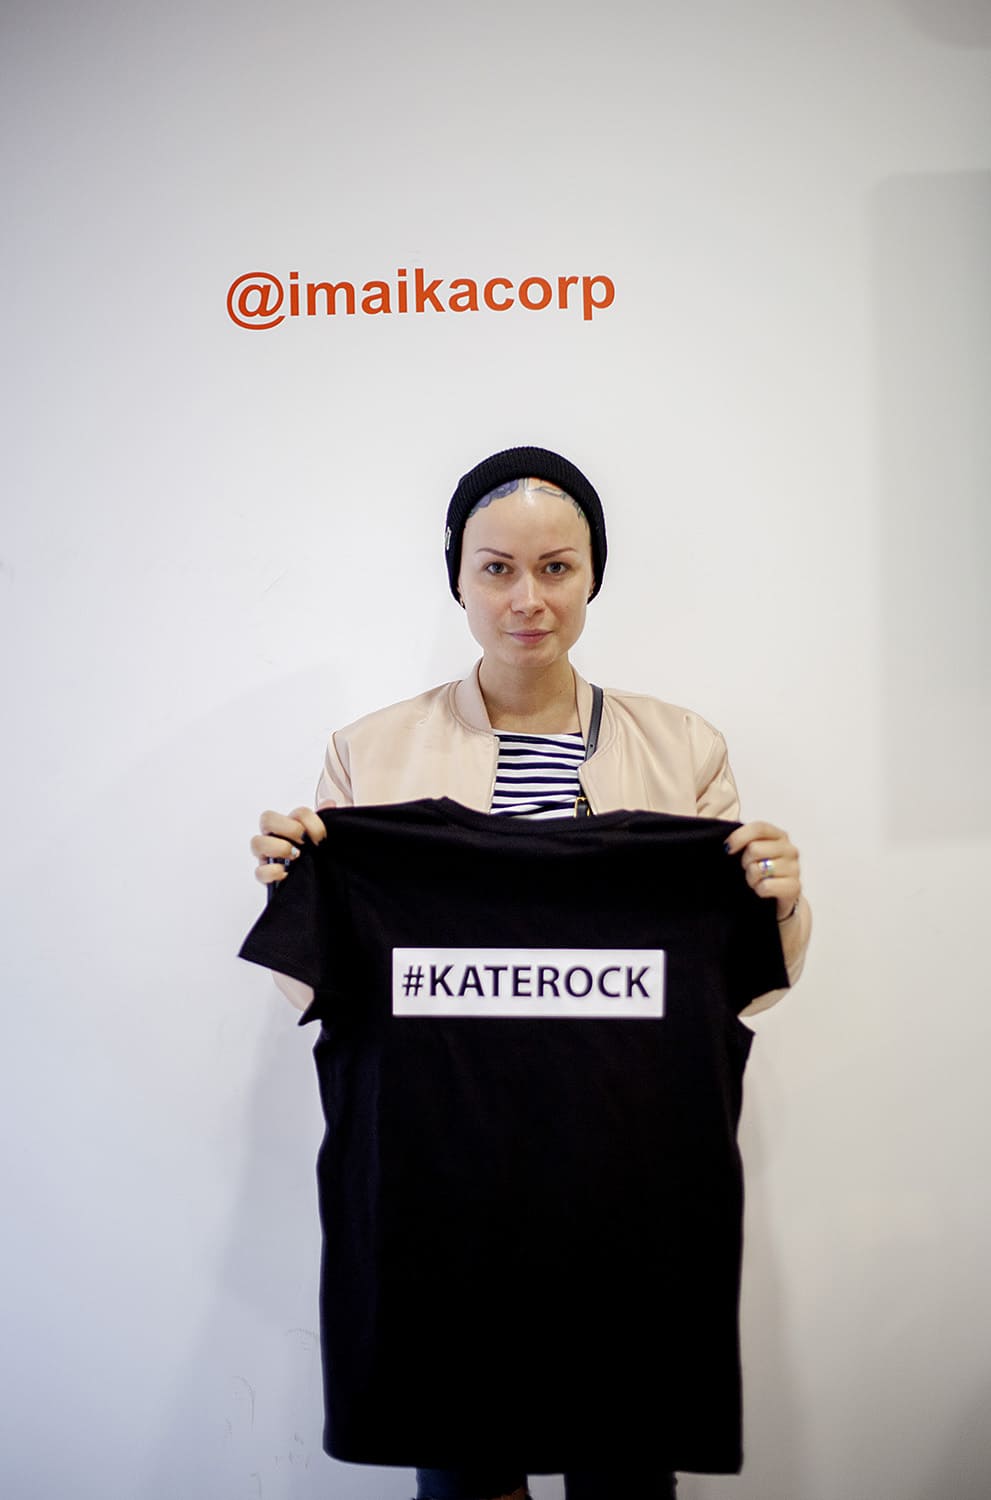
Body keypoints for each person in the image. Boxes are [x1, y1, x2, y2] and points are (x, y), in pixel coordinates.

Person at [248, 446, 811, 1500]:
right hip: (440, 1194)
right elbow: (328, 991)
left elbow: (738, 982)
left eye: (556, 568)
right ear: (456, 577)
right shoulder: (370, 751)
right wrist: (298, 888)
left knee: (623, 1474)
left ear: (594, 574)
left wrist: (776, 898)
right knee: (467, 1477)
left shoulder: (682, 748)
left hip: (626, 1188)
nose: (527, 599)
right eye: (496, 568)